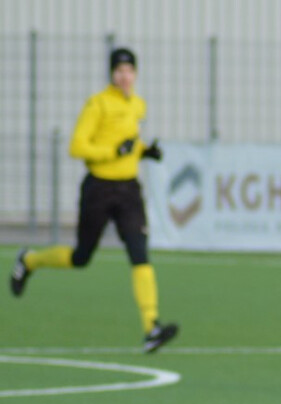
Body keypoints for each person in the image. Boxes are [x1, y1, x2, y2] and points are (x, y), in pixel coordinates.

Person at [10, 47, 178, 353]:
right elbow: (77, 146)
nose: (124, 76)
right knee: (81, 257)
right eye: (119, 71)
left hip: (128, 190)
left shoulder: (138, 105)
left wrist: (144, 152)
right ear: (111, 74)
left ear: (135, 74)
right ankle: (29, 260)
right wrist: (114, 152)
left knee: (139, 252)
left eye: (129, 71)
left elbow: (130, 142)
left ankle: (151, 326)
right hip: (99, 189)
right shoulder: (97, 104)